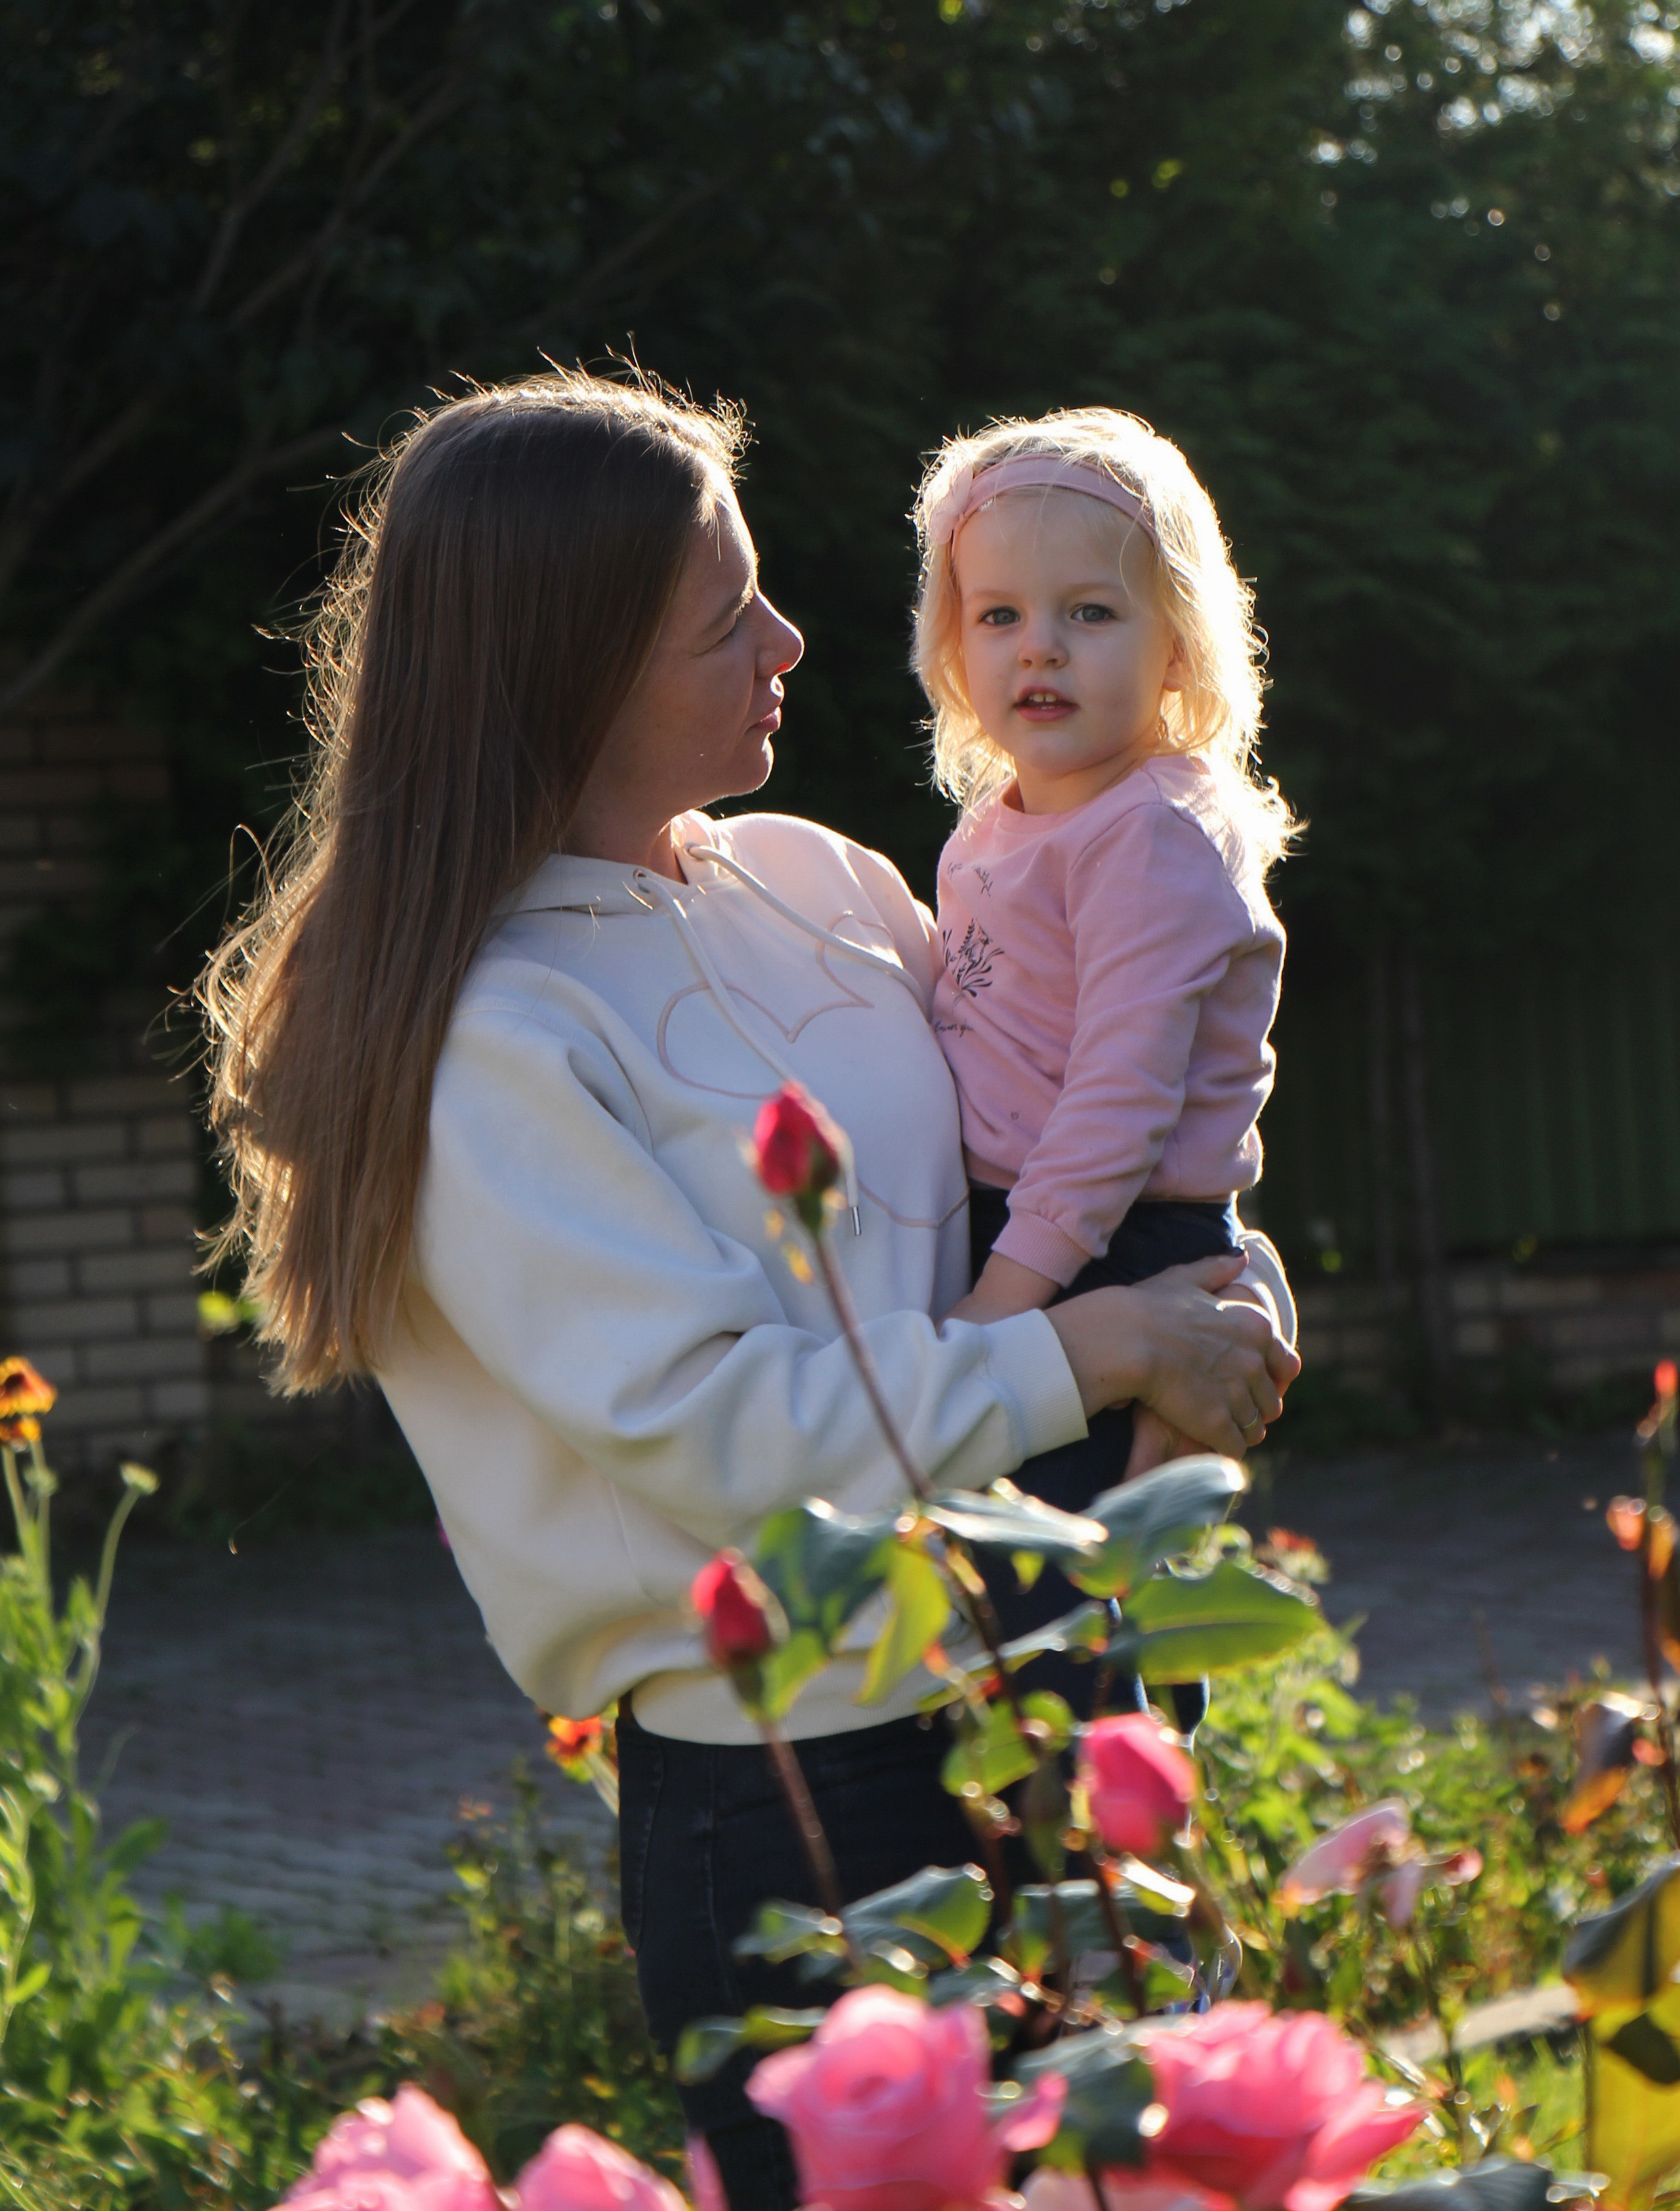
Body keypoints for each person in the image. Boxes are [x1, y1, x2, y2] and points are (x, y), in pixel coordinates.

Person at [199, 369, 1299, 2211]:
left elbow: (1065, 1144)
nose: (792, 638)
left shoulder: (828, 881)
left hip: (1054, 1684)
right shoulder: (490, 1036)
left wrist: (1219, 1290)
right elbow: (721, 1441)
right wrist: (1093, 1345)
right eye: (726, 619)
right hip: (815, 1792)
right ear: (575, 673)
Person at [912, 411, 1295, 1726]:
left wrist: (998, 1311)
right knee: (1001, 1601)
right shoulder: (995, 822)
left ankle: (1117, 1891)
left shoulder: (1150, 837)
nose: (1040, 648)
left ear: (1176, 639)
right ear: (951, 644)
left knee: (1077, 1607)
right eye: (999, 614)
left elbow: (1116, 1105)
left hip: (1109, 1240)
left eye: (1088, 612)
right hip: (1028, 1233)